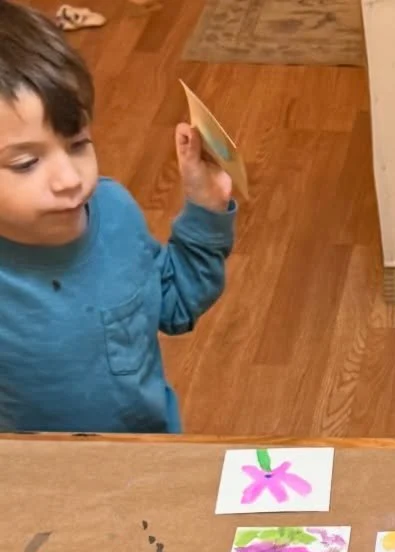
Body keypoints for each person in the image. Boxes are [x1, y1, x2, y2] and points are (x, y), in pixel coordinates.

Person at [0, 0, 235, 434]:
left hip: (145, 454)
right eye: (26, 163)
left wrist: (206, 209)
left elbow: (175, 303)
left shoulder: (115, 213)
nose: (70, 179)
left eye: (77, 144)